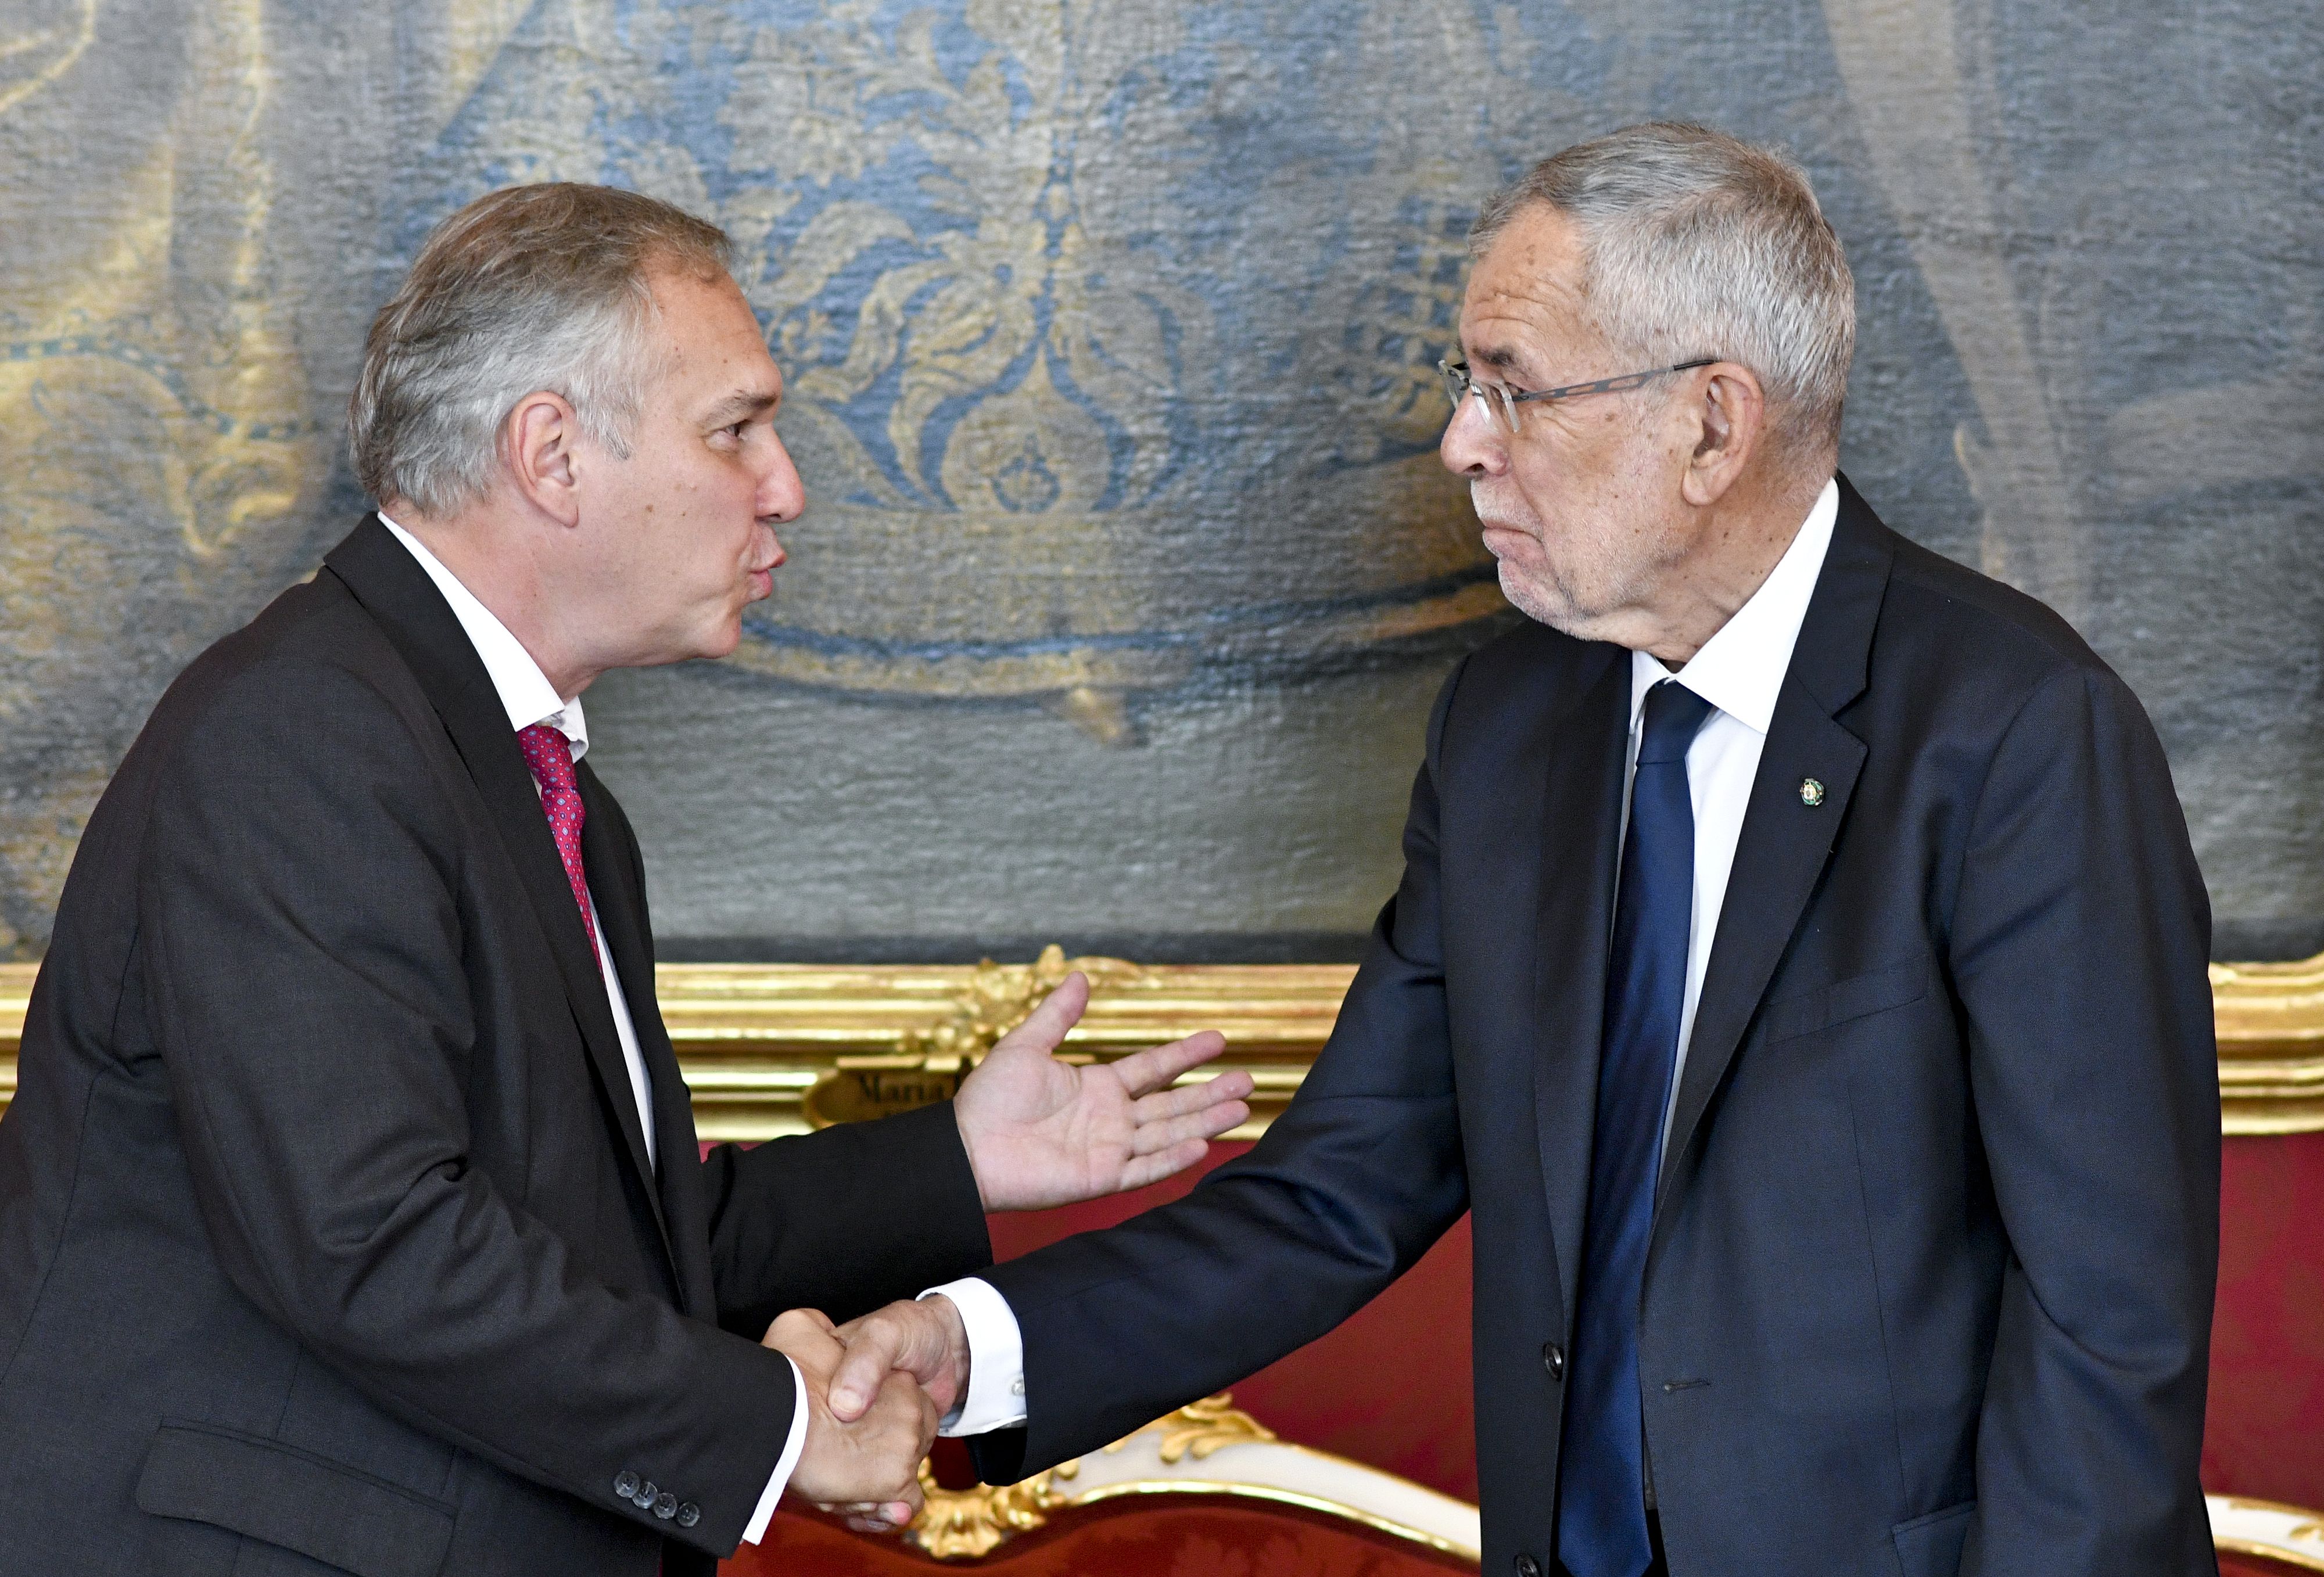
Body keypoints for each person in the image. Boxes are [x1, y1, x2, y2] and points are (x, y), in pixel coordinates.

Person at [826, 123, 2223, 1577]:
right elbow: (1337, 1191)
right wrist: (960, 1347)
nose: (1460, 443)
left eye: (1514, 389)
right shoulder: (1506, 725)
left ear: (1710, 424)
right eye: (1463, 384)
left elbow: (2105, 1325)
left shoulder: (2013, 730)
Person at [0, 184, 1252, 1577]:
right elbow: (373, 1243)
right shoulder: (304, 734)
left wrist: (958, 1159)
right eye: (735, 429)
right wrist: (779, 1424)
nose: (784, 486)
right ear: (551, 453)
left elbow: (603, 1239)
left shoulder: (533, 780)